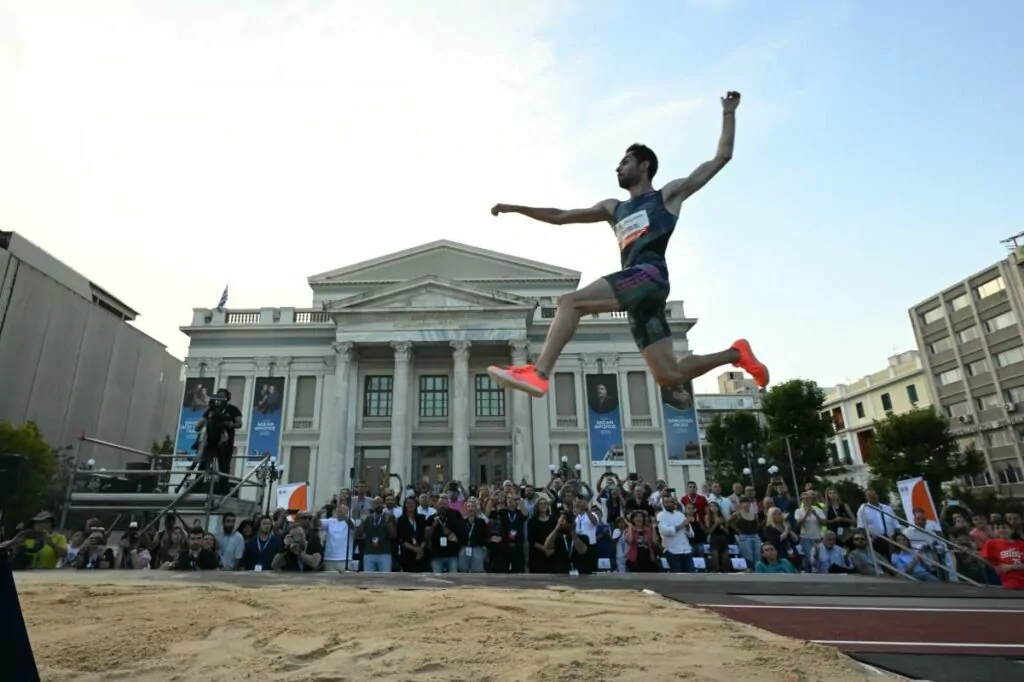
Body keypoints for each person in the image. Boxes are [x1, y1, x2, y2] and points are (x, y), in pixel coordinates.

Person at [487, 91, 768, 407]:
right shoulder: (613, 208)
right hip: (641, 295)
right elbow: (561, 217)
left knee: (570, 302)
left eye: (625, 161)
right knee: (669, 375)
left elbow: (720, 158)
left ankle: (538, 373)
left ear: (644, 165)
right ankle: (736, 353)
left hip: (649, 274)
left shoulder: (668, 196)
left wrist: (728, 113)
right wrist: (516, 207)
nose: (618, 168)